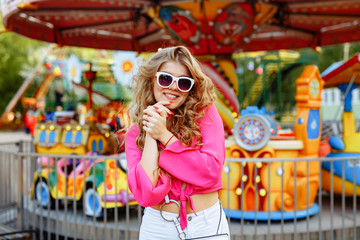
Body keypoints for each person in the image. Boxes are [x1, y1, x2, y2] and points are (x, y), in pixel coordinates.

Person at [125, 46, 230, 239]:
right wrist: (151, 132)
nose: (173, 87)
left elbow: (211, 172)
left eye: (183, 82)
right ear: (152, 79)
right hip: (158, 227)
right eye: (165, 78)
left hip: (206, 226)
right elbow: (146, 194)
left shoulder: (206, 115)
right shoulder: (134, 134)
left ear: (191, 87)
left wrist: (165, 136)